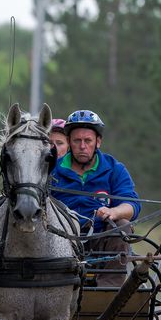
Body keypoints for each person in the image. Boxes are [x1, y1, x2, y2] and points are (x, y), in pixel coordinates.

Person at [51, 109, 140, 286]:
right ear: (69, 142)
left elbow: (132, 206)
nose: (82, 146)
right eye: (77, 140)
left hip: (102, 243)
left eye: (88, 141)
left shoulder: (115, 169)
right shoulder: (51, 170)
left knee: (122, 225)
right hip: (60, 244)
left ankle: (108, 290)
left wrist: (114, 211)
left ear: (98, 142)